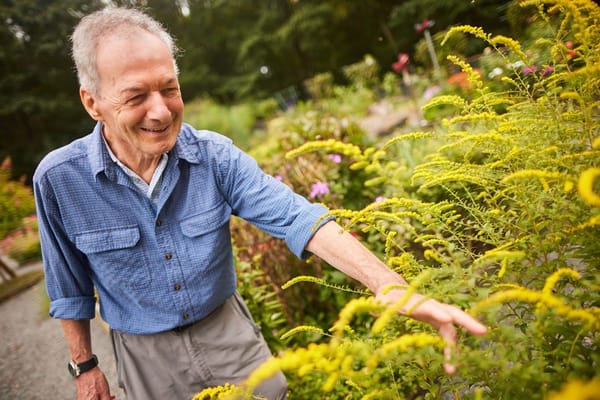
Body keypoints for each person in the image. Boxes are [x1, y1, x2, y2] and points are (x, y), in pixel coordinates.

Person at [33, 6, 487, 400]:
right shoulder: (59, 180)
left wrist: (391, 286)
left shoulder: (213, 156)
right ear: (93, 103)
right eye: (136, 96)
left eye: (169, 88)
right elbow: (69, 289)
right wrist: (85, 368)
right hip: (144, 353)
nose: (162, 111)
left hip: (226, 330)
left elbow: (298, 217)